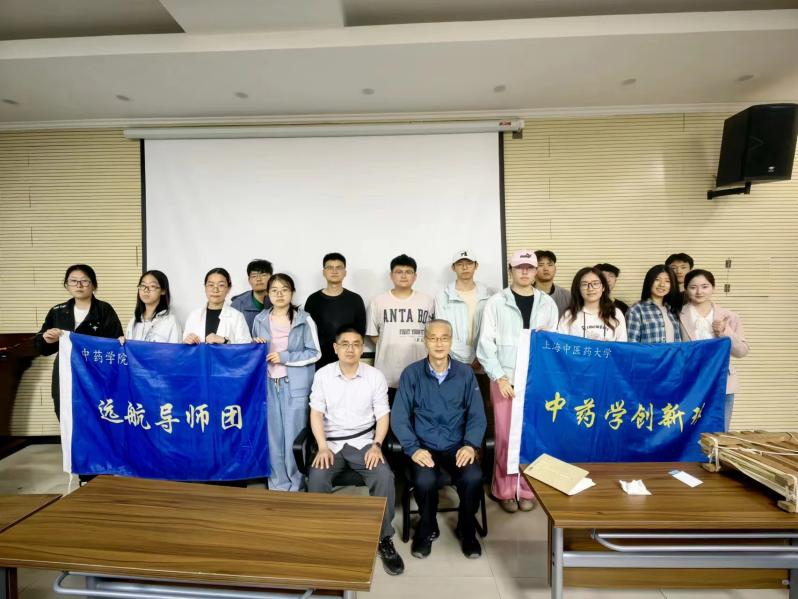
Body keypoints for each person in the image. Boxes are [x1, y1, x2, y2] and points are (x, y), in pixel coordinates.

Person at [307, 326, 404, 576]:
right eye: (345, 344)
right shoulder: (323, 375)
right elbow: (316, 414)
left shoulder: (374, 376)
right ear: (335, 348)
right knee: (317, 477)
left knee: (384, 476)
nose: (350, 349)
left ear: (362, 348)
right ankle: (320, 537)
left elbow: (383, 414)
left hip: (364, 442)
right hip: (331, 444)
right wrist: (322, 446)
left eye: (356, 344)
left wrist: (377, 445)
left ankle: (384, 538)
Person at [391, 319, 487, 560]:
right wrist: (413, 448)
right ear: (425, 341)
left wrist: (470, 445)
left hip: (457, 445)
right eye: (433, 338)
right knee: (424, 480)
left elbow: (477, 415)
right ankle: (427, 528)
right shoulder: (412, 373)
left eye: (444, 338)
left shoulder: (465, 373)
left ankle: (467, 529)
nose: (439, 343)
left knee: (473, 477)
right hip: (424, 446)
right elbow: (399, 416)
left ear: (451, 341)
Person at [477, 250, 558, 514]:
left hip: (535, 380)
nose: (525, 272)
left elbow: (553, 344)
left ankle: (526, 489)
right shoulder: (496, 302)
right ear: (510, 270)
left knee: (531, 437)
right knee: (505, 437)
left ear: (535, 272)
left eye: (530, 268)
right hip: (505, 379)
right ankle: (504, 489)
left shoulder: (547, 303)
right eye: (519, 267)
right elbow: (485, 344)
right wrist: (499, 377)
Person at [253, 274, 321, 491]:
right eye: (274, 290)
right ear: (268, 294)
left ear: (292, 292)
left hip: (295, 387)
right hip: (268, 385)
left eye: (284, 289)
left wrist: (284, 357)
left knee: (294, 437)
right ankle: (277, 484)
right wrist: (256, 346)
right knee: (273, 437)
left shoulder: (304, 319)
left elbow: (315, 353)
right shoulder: (260, 319)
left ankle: (297, 484)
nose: (279, 294)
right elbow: (254, 354)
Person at [34, 264, 123, 419]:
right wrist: (47, 339)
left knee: (97, 417)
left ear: (93, 285)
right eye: (73, 281)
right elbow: (40, 347)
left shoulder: (104, 310)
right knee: (66, 414)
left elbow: (115, 345)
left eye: (84, 281)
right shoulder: (58, 311)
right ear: (66, 285)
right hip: (65, 372)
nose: (79, 285)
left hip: (95, 373)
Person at [680, 269, 749, 429]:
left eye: (705, 286)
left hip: (722, 381)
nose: (699, 292)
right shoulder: (678, 314)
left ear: (713, 288)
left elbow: (742, 351)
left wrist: (725, 332)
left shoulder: (729, 316)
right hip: (690, 382)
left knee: (719, 431)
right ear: (686, 289)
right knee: (688, 431)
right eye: (693, 287)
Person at [367, 254, 434, 400]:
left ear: (415, 276)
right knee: (390, 412)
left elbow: (434, 333)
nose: (404, 276)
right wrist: (390, 342)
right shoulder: (378, 301)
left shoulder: (428, 301)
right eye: (399, 272)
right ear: (391, 275)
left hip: (421, 372)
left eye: (408, 272)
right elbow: (373, 334)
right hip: (387, 374)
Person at [304, 253, 367, 370]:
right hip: (319, 359)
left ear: (345, 272)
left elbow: (360, 331)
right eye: (330, 267)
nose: (334, 271)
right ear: (324, 272)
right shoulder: (313, 300)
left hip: (348, 357)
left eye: (339, 267)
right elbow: (307, 332)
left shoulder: (355, 299)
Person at [434, 250, 493, 366]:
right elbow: (443, 332)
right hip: (454, 361)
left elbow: (492, 330)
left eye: (469, 263)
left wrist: (482, 356)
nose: (465, 267)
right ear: (453, 268)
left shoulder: (488, 294)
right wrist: (471, 357)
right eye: (460, 264)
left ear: (476, 265)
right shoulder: (443, 296)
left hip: (484, 362)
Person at [184, 268, 252, 345]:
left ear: (228, 288)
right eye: (211, 285)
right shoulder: (194, 315)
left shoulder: (237, 317)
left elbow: (246, 348)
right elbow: (183, 348)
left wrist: (225, 341)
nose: (215, 290)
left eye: (221, 285)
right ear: (205, 287)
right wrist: (186, 342)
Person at [558, 267, 627, 341]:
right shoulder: (569, 315)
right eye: (584, 284)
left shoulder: (616, 314)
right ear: (578, 289)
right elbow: (561, 344)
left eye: (595, 283)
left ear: (603, 287)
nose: (590, 288)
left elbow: (622, 345)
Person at [626, 265, 682, 344]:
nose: (662, 284)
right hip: (648, 353)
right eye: (657, 279)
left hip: (673, 353)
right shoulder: (636, 309)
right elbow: (632, 343)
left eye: (667, 281)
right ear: (649, 281)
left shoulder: (672, 310)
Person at [123, 270, 182, 342]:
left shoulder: (171, 321)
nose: (146, 290)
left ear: (163, 291)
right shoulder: (133, 321)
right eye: (143, 285)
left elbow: (176, 348)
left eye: (152, 286)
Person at [230, 259, 273, 334]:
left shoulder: (279, 300)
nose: (258, 279)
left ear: (271, 278)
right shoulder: (238, 304)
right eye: (254, 276)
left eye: (263, 275)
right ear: (249, 280)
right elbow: (231, 333)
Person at [534, 250, 571, 318]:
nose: (546, 269)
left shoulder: (567, 296)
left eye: (550, 265)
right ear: (533, 270)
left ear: (555, 269)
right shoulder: (526, 294)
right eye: (540, 265)